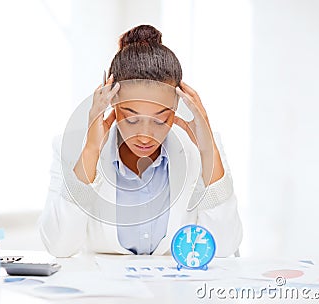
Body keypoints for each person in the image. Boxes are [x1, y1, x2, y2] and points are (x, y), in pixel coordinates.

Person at [39, 25, 242, 257]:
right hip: (104, 291)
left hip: (174, 291)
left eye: (160, 120)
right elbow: (59, 246)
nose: (145, 136)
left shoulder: (201, 148)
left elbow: (225, 249)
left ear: (176, 108)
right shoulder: (73, 148)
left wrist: (208, 151)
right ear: (111, 103)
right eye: (132, 119)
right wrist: (91, 150)